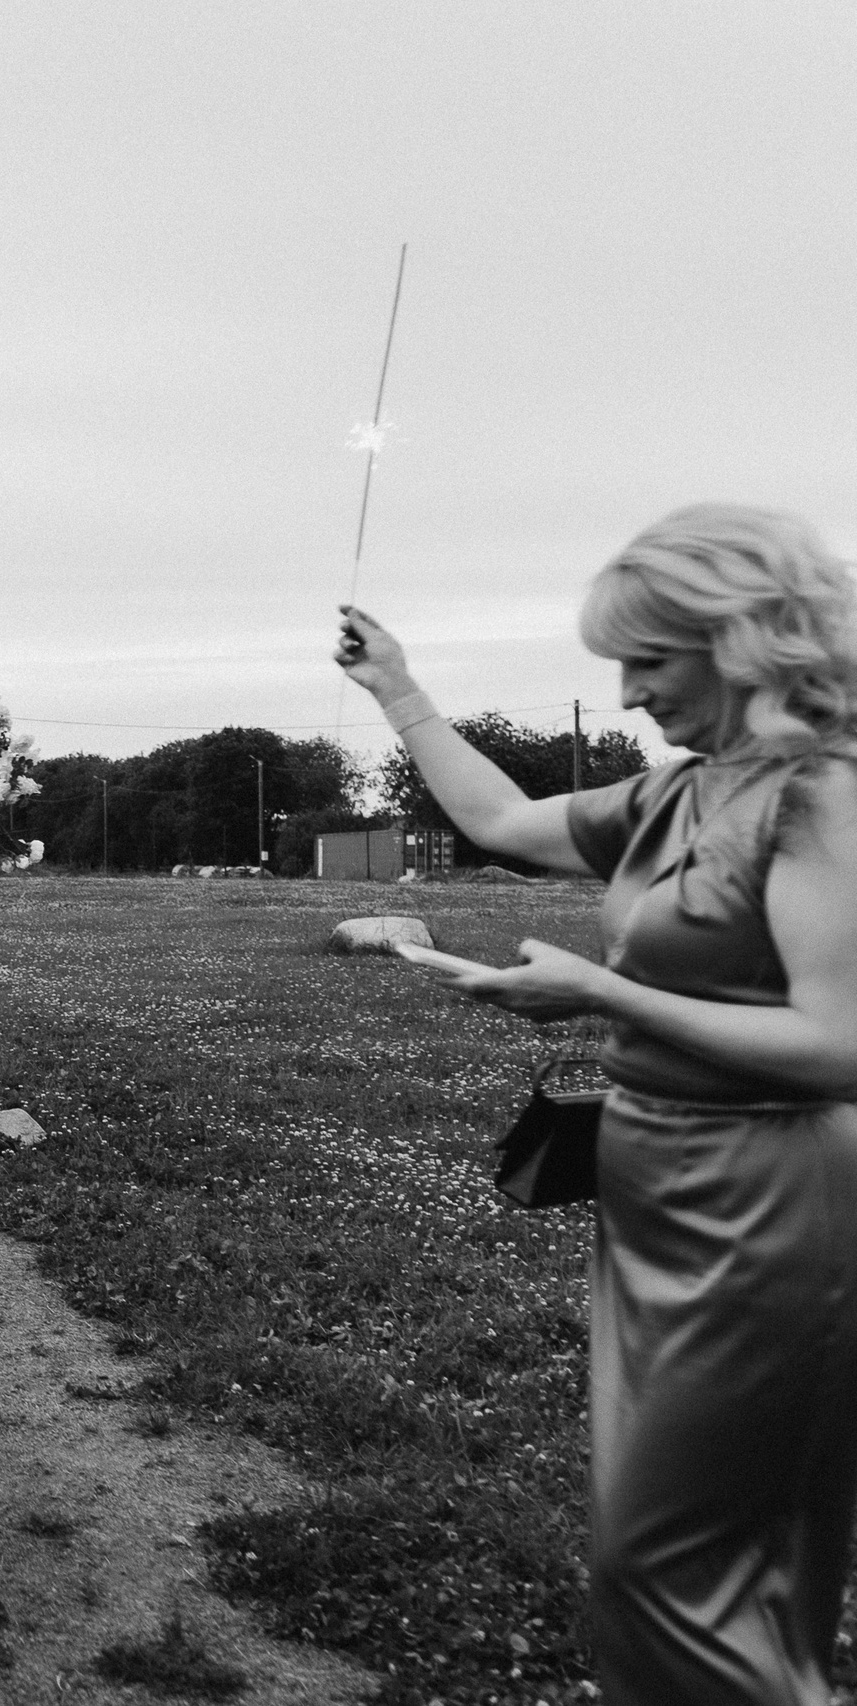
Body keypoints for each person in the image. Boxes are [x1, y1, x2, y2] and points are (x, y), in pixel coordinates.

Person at [337, 503, 857, 1706]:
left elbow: (837, 1041)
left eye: (649, 660)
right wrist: (397, 690)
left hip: (771, 1202)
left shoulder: (818, 798)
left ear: (742, 640)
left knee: (662, 1568)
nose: (626, 692)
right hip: (654, 1187)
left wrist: (598, 992)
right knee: (703, 1561)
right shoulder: (677, 793)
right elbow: (498, 822)